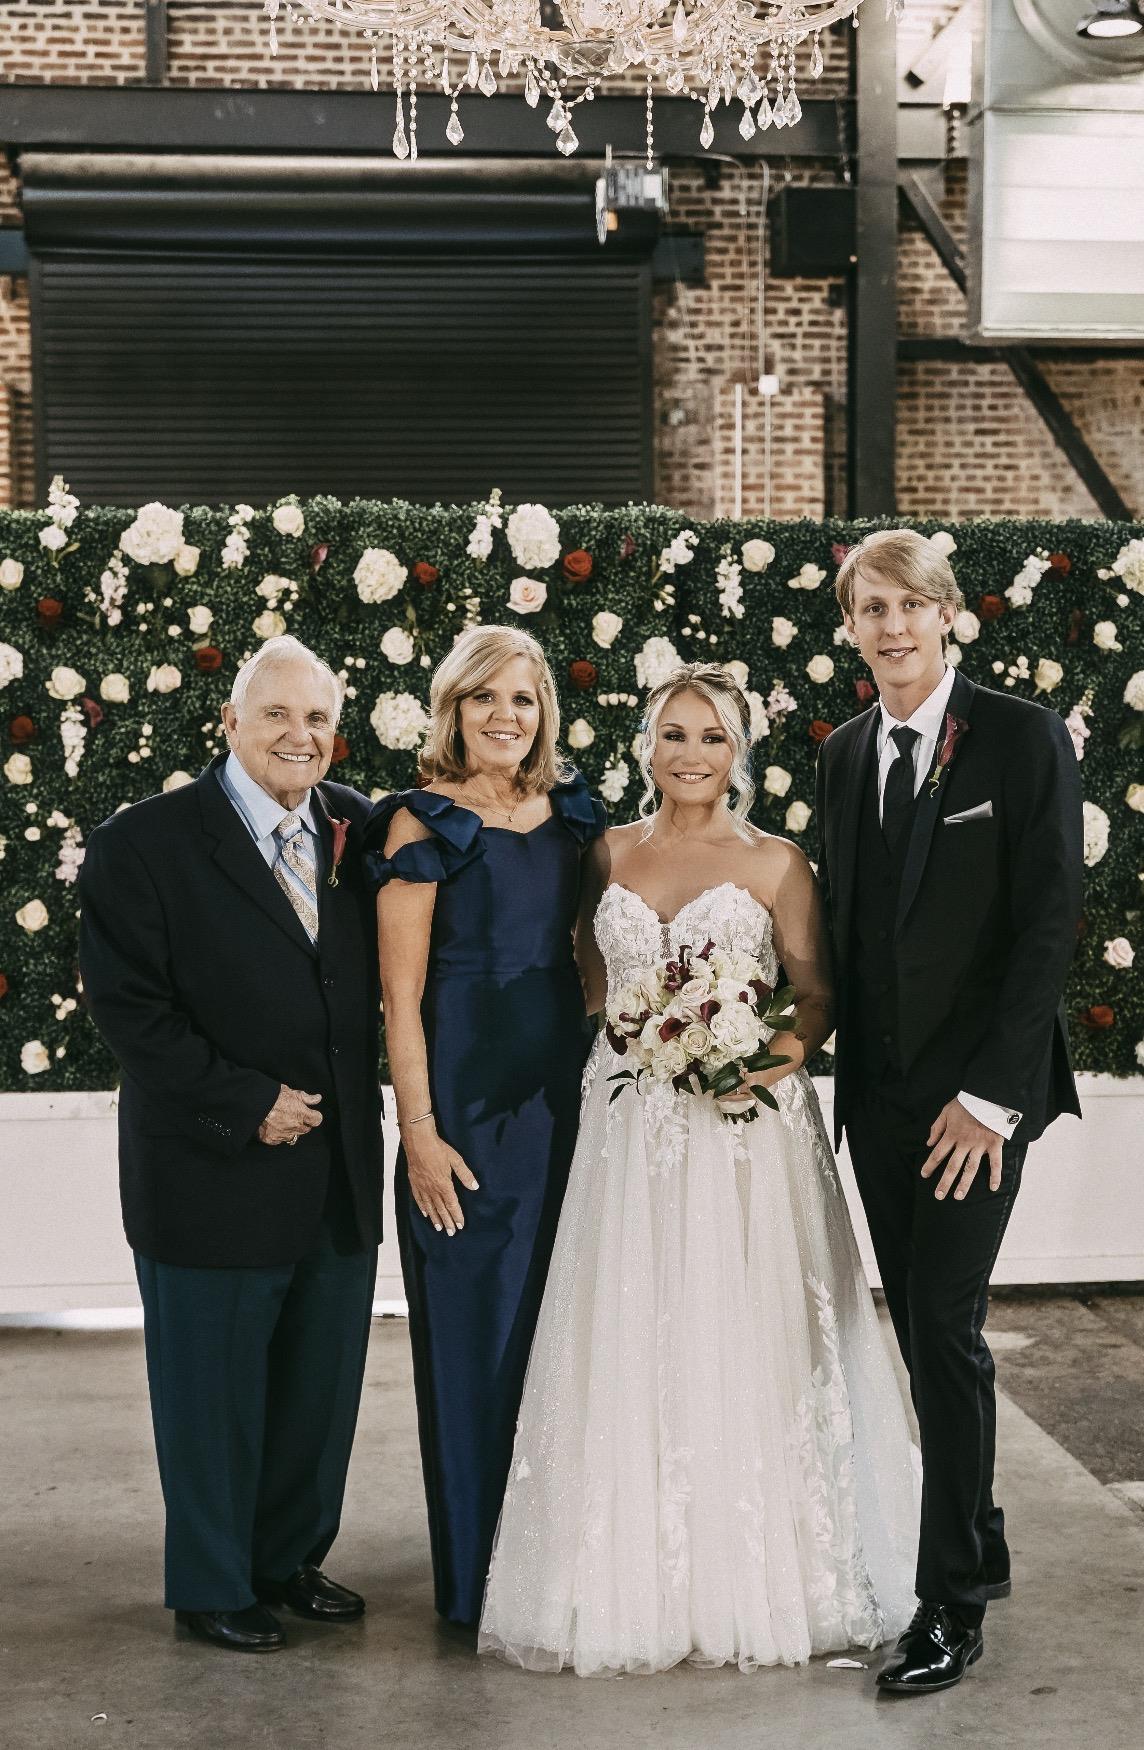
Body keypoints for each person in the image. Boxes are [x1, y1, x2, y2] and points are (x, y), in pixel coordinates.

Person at [478, 662, 919, 1676]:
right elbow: (591, 979)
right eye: (672, 733)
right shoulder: (605, 851)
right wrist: (646, 1041)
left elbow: (815, 996)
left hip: (742, 1135)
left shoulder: (774, 864)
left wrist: (756, 1055)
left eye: (710, 736)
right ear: (646, 744)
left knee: (745, 1327)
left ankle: (763, 1574)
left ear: (738, 752)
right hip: (631, 1133)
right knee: (629, 1329)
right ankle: (626, 1576)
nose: (690, 753)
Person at [815, 528, 1084, 1695]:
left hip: (976, 1104)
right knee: (920, 1329)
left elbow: (1046, 926)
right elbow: (841, 930)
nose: (889, 627)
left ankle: (949, 1600)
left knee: (943, 1322)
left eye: (907, 605)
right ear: (851, 629)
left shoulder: (1020, 739)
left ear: (946, 613)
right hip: (875, 1102)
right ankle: (977, 1529)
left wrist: (989, 1099)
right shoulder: (839, 753)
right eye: (868, 609)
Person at [78, 635, 383, 1654]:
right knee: (212, 1393)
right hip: (211, 1168)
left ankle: (284, 1557)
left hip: (334, 1171)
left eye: (319, 720)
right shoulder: (147, 842)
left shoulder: (356, 829)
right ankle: (211, 1582)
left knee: (316, 1389)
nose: (302, 736)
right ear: (232, 723)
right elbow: (130, 1010)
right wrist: (245, 1100)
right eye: (279, 716)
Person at [367, 624, 606, 1628]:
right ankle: (476, 1588)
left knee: (569, 1338)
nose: (505, 717)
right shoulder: (417, 825)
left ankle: (555, 1574)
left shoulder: (577, 819)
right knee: (475, 1342)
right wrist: (418, 1131)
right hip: (460, 1112)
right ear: (452, 709)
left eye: (522, 699)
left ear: (544, 709)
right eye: (483, 699)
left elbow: (597, 966)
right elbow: (399, 996)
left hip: (565, 1109)